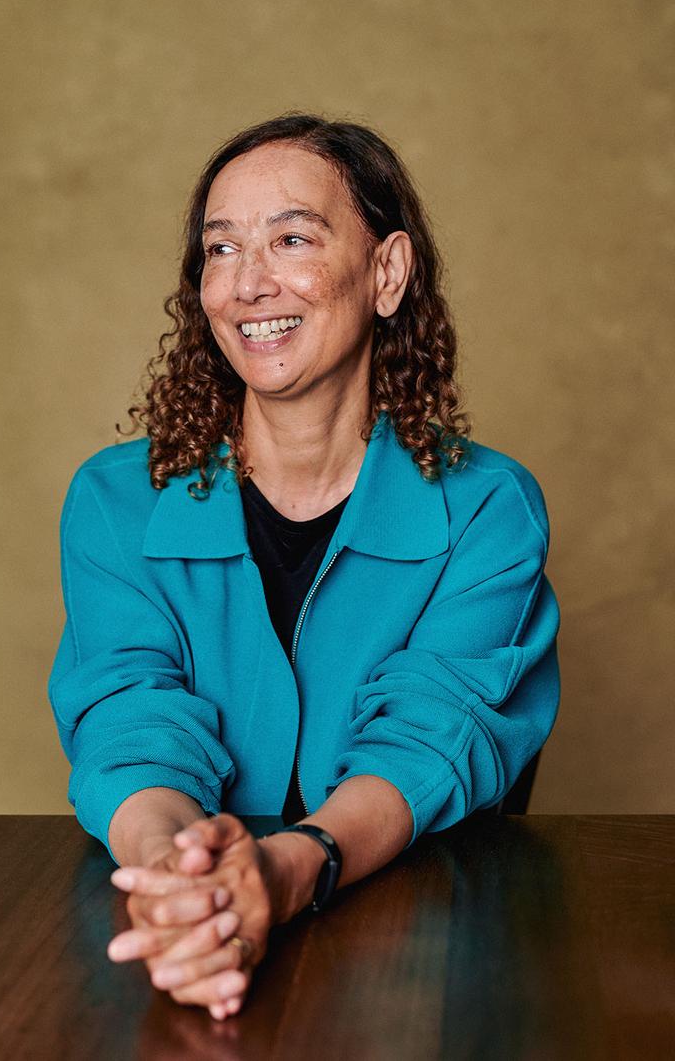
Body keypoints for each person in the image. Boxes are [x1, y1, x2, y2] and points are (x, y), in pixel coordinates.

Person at [48, 112, 561, 1020]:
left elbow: (430, 742)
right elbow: (130, 719)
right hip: (180, 926)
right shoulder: (113, 501)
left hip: (413, 954)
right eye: (221, 248)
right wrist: (181, 878)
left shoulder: (488, 509)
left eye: (292, 239)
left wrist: (284, 873)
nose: (248, 283)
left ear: (387, 272)